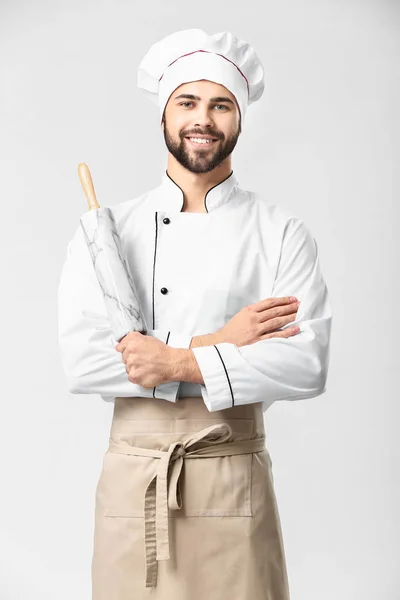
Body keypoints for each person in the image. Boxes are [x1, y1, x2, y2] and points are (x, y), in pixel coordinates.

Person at [57, 28, 332, 600]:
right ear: (163, 113)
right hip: (137, 479)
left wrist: (174, 360)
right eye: (187, 102)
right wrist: (222, 342)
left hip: (233, 475)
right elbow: (84, 361)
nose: (202, 119)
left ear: (240, 117)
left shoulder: (280, 234)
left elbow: (305, 364)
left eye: (220, 104)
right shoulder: (108, 232)